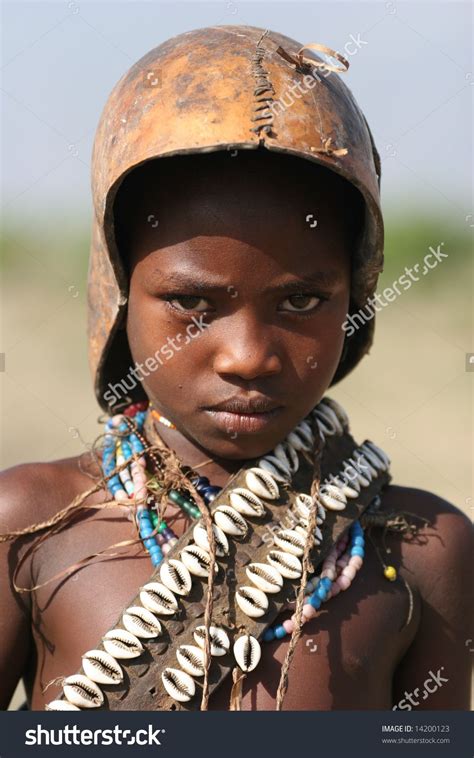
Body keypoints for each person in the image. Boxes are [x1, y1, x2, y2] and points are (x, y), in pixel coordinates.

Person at [0, 25, 471, 712]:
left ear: (357, 298)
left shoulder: (424, 554)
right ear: (119, 291)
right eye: (191, 301)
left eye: (303, 301)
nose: (249, 356)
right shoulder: (33, 527)